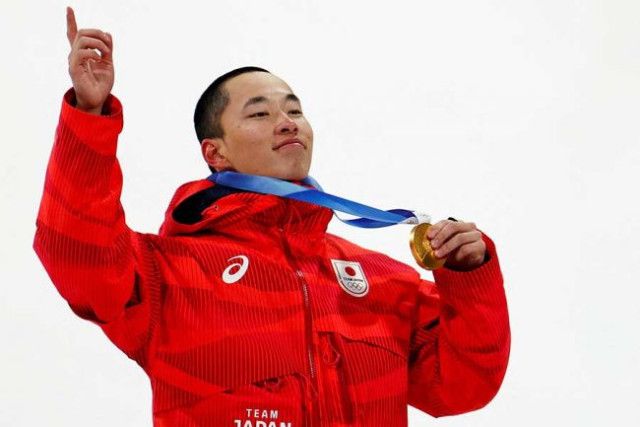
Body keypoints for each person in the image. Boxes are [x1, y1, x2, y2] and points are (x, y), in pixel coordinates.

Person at [33, 7, 510, 427]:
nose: (287, 123)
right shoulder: (170, 273)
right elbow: (79, 253)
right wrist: (89, 114)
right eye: (259, 114)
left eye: (294, 110)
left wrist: (470, 278)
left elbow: (462, 384)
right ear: (214, 152)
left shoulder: (383, 282)